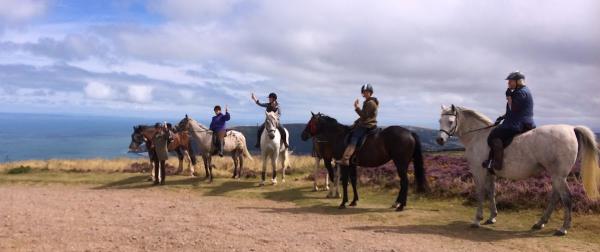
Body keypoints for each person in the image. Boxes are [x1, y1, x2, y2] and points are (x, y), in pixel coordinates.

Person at [483, 71, 536, 172]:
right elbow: (519, 110)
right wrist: (502, 117)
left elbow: (513, 108)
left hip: (518, 123)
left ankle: (497, 163)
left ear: (518, 82)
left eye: (511, 81)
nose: (508, 84)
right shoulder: (524, 91)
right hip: (522, 120)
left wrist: (508, 97)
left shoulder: (520, 92)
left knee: (494, 135)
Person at [336, 84, 379, 166]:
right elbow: (365, 116)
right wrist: (356, 121)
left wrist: (356, 107)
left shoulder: (370, 103)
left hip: (367, 125)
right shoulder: (369, 102)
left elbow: (364, 116)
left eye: (367, 92)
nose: (365, 93)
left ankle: (345, 159)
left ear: (370, 93)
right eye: (364, 92)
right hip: (367, 123)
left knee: (354, 138)